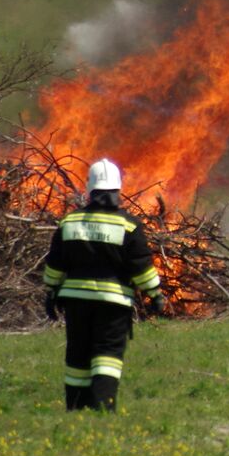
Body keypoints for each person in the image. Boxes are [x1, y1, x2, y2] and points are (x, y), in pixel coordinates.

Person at [42, 157, 163, 412]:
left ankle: (75, 407)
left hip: (76, 302)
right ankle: (103, 407)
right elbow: (140, 266)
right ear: (117, 189)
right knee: (107, 355)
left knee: (78, 354)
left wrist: (51, 292)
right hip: (113, 303)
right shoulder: (128, 225)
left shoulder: (70, 222)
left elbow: (56, 264)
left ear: (90, 189)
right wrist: (155, 294)